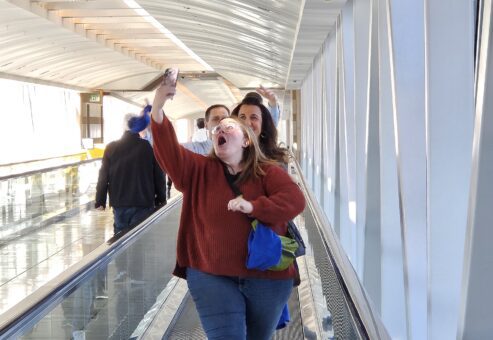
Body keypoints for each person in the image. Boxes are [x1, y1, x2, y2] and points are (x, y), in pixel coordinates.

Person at [150, 79, 305, 340]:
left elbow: (294, 201)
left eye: (230, 126)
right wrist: (158, 107)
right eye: (218, 128)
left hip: (266, 277)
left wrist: (254, 206)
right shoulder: (198, 169)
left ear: (246, 140)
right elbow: (169, 152)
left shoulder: (267, 171)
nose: (222, 129)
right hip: (211, 273)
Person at [95, 111, 167, 234]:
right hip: (143, 201)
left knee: (120, 239)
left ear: (123, 127)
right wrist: (161, 197)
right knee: (141, 238)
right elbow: (158, 174)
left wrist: (100, 200)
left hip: (120, 202)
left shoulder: (111, 148)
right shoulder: (147, 147)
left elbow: (103, 176)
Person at [231, 96, 289, 166]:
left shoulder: (276, 162)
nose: (247, 123)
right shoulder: (226, 156)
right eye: (242, 117)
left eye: (254, 117)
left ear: (263, 125)